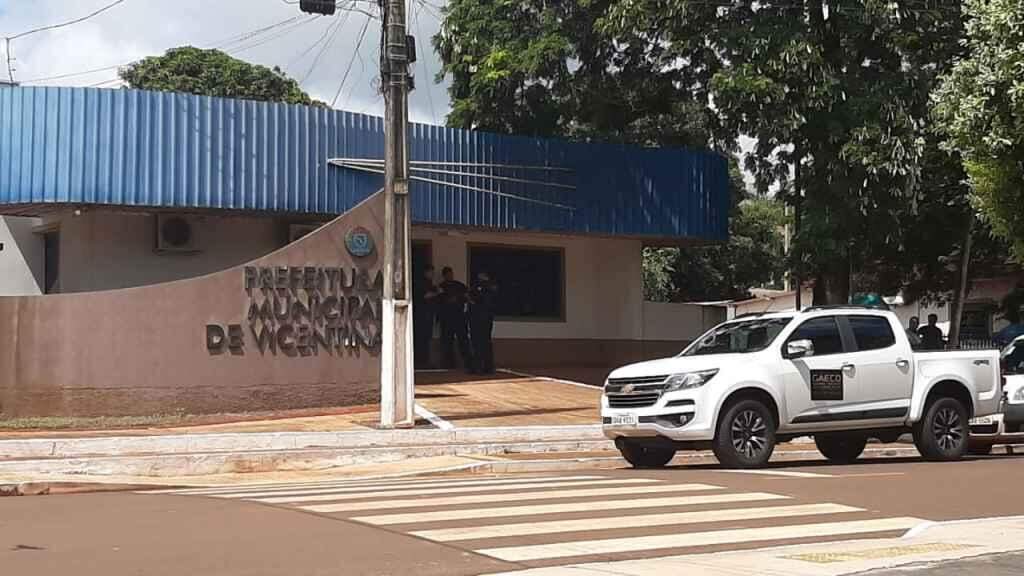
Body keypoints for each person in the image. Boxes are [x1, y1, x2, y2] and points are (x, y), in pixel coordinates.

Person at [438, 267, 472, 370]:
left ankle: (468, 363)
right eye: (447, 274)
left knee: (463, 340)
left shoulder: (459, 285)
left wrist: (460, 299)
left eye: (451, 274)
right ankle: (449, 364)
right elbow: (438, 302)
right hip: (446, 318)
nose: (450, 276)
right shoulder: (441, 286)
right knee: (447, 341)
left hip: (459, 317)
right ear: (444, 276)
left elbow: (467, 297)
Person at [468, 271, 498, 374]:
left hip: (479, 318)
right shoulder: (492, 287)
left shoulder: (482, 287)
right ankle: (487, 367)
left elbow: (475, 300)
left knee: (478, 342)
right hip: (486, 318)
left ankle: (478, 367)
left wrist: (471, 299)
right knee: (485, 342)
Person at [412, 265, 439, 369]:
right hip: (421, 315)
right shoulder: (421, 283)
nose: (432, 274)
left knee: (427, 338)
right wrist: (436, 293)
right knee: (421, 338)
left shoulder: (430, 284)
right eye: (431, 272)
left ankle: (425, 360)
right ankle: (420, 362)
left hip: (428, 315)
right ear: (426, 272)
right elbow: (425, 296)